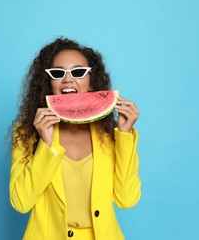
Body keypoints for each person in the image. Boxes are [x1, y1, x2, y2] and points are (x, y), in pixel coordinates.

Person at [8, 37, 141, 240]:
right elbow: (21, 202)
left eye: (78, 72)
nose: (68, 80)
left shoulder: (109, 135)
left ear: (91, 82)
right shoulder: (27, 133)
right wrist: (46, 144)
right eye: (58, 73)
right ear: (48, 83)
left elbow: (127, 199)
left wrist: (123, 135)